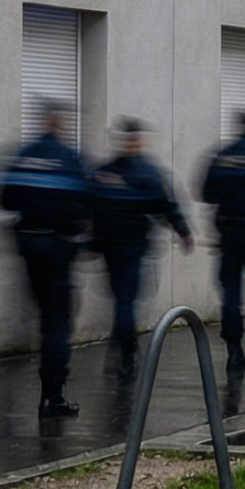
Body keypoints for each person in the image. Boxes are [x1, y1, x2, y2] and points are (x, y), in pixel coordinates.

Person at [0, 103, 93, 417]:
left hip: (28, 244)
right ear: (60, 123)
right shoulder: (69, 159)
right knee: (57, 321)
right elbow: (88, 203)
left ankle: (49, 392)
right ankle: (53, 395)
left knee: (43, 313)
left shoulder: (23, 155)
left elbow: (3, 198)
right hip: (57, 247)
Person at [88, 118, 193, 375]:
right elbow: (167, 206)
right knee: (127, 300)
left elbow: (90, 206)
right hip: (133, 247)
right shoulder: (148, 172)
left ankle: (121, 344)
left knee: (121, 299)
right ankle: (126, 352)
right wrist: (183, 232)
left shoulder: (105, 172)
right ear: (139, 141)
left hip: (109, 247)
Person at [199, 109, 245, 375]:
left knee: (231, 294)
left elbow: (206, 193)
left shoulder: (222, 156)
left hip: (231, 233)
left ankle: (234, 349)